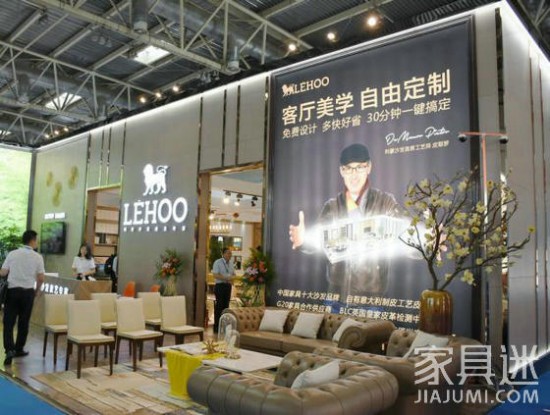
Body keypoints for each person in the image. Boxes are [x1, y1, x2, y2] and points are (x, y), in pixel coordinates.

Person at [289, 143, 402, 305]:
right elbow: (319, 243)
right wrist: (303, 242)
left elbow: (408, 236)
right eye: (348, 168)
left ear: (369, 167)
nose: (354, 174)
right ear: (341, 171)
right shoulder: (332, 206)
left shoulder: (385, 202)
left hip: (370, 301)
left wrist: (429, 241)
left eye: (360, 167)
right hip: (335, 297)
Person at [0, 230, 45, 365]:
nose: (37, 243)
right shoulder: (38, 257)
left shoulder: (12, 254)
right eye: (36, 240)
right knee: (24, 322)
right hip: (28, 293)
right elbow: (41, 278)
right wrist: (37, 291)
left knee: (9, 322)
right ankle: (19, 349)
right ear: (32, 241)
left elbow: (3, 272)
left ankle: (9, 350)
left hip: (12, 292)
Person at [212, 248, 236, 333]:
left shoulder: (231, 263)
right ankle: (216, 327)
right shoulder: (217, 262)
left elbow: (233, 274)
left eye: (230, 253)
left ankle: (224, 326)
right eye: (228, 253)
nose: (230, 255)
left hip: (228, 286)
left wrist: (232, 278)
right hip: (220, 286)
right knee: (219, 306)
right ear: (223, 254)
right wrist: (227, 278)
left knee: (226, 306)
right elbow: (215, 274)